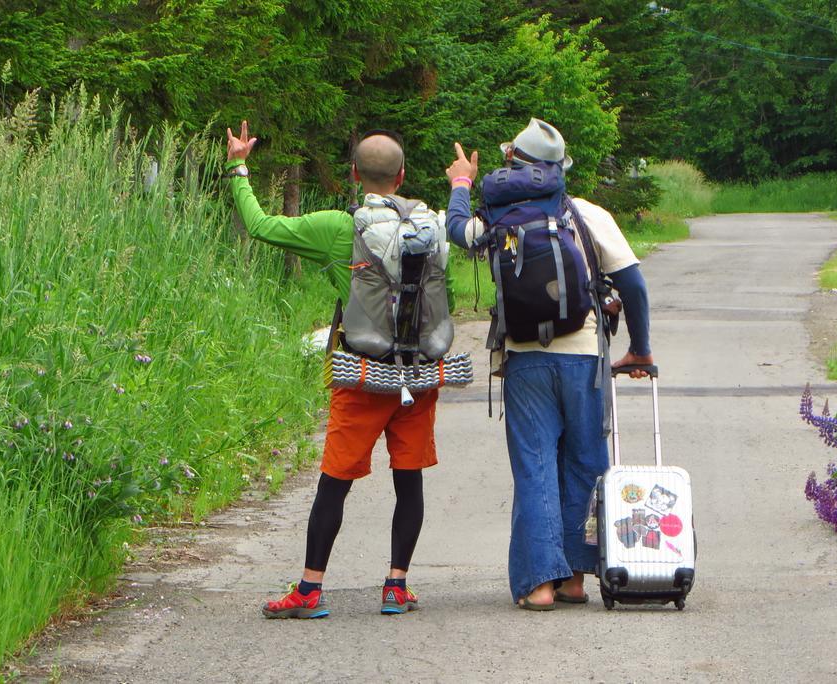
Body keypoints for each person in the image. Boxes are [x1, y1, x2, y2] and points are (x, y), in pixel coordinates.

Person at [223, 121, 449, 618]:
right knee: (408, 480)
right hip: (419, 376)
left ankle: (309, 590)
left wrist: (240, 165)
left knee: (335, 481)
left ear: (353, 175)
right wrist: (461, 186)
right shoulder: (430, 226)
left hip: (362, 375)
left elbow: (261, 227)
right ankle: (396, 586)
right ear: (402, 174)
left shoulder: (338, 228)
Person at [443, 118, 654, 610]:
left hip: (524, 359)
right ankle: (576, 579)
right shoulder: (586, 215)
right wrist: (639, 348)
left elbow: (458, 231)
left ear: (513, 165)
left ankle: (539, 584)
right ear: (559, 170)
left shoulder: (499, 217)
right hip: (582, 356)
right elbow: (634, 287)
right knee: (585, 462)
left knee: (535, 465)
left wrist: (460, 183)